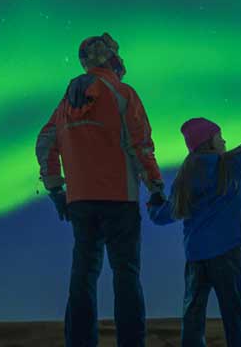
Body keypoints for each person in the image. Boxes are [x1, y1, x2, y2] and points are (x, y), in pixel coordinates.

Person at [36, 33, 166, 347]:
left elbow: (45, 143)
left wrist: (56, 190)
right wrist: (155, 187)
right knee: (126, 274)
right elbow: (140, 146)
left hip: (81, 202)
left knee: (83, 276)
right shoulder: (123, 94)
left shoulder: (65, 104)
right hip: (120, 199)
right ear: (111, 58)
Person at [149, 88, 241, 347]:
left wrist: (153, 203)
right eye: (219, 136)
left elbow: (163, 216)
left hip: (196, 257)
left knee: (193, 316)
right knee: (233, 313)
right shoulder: (228, 166)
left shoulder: (183, 180)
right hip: (227, 252)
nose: (225, 141)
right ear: (209, 141)